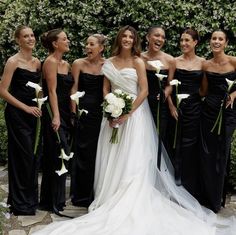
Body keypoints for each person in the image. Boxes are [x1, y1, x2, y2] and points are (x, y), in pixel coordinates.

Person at [33, 26, 235, 235]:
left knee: (132, 158)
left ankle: (130, 197)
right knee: (111, 156)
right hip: (111, 117)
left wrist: (127, 112)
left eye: (131, 36)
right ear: (119, 39)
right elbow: (105, 88)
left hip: (135, 116)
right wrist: (111, 107)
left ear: (135, 40)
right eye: (124, 36)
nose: (127, 39)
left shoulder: (139, 62)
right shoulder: (109, 62)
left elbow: (145, 89)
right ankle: (108, 195)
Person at [0, 25, 41, 215]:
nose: (30, 38)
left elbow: (38, 88)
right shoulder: (12, 61)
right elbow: (2, 91)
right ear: (18, 40)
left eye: (32, 35)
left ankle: (31, 200)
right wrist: (25, 108)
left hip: (35, 115)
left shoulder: (37, 62)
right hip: (18, 115)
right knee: (21, 156)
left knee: (32, 157)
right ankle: (19, 203)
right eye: (26, 36)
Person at [199, 29, 236, 213]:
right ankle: (207, 196)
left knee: (223, 151)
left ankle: (218, 198)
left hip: (228, 112)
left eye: (220, 39)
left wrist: (235, 93)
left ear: (226, 43)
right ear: (210, 42)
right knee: (208, 152)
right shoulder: (206, 65)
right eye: (214, 38)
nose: (216, 41)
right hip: (209, 111)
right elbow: (204, 91)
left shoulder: (234, 61)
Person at [39, 29, 74, 214]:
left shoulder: (66, 64)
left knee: (62, 155)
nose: (68, 41)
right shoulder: (50, 62)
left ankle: (55, 200)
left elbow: (68, 92)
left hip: (66, 114)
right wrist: (56, 116)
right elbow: (51, 91)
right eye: (64, 38)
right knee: (59, 153)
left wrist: (71, 113)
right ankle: (52, 201)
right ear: (55, 43)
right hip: (54, 112)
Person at [70, 34, 106, 207]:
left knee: (98, 152)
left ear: (101, 48)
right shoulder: (78, 63)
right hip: (83, 113)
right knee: (82, 151)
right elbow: (74, 88)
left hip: (102, 114)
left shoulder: (107, 64)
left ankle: (96, 191)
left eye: (91, 44)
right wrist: (73, 112)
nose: (87, 47)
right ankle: (80, 195)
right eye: (86, 44)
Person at [171, 28, 205, 198]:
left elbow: (204, 90)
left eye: (187, 40)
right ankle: (172, 185)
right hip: (175, 109)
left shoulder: (203, 63)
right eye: (181, 40)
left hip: (195, 109)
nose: (183, 43)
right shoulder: (173, 61)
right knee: (173, 143)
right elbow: (167, 87)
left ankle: (188, 188)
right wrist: (171, 106)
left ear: (195, 43)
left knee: (190, 146)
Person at [141, 26, 175, 158]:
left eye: (162, 37)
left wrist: (165, 93)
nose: (160, 39)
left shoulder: (170, 60)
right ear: (148, 37)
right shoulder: (139, 58)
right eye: (156, 35)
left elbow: (170, 85)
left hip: (161, 106)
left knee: (159, 139)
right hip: (143, 105)